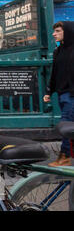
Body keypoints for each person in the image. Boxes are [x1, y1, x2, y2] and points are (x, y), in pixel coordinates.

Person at [43, 21, 74, 167]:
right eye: (54, 31)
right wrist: (49, 91)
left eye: (58, 31)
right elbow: (55, 73)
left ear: (67, 32)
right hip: (62, 94)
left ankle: (65, 156)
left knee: (65, 124)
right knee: (69, 125)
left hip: (71, 95)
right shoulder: (58, 51)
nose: (54, 34)